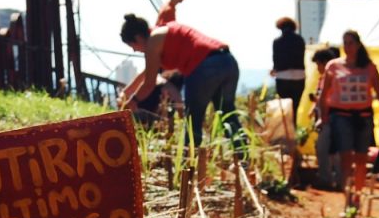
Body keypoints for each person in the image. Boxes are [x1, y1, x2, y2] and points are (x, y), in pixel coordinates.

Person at [119, 14, 244, 153]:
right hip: (227, 61)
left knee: (193, 121)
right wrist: (127, 93)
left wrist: (133, 101)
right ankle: (243, 157)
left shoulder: (153, 42)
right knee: (228, 114)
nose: (135, 50)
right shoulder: (162, 33)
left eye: (132, 46)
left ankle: (188, 164)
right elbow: (145, 74)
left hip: (203, 68)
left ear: (137, 38)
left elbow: (149, 83)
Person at [318, 30, 379, 202]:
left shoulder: (369, 67)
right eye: (345, 42)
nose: (347, 46)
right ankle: (348, 195)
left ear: (357, 44)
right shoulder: (333, 66)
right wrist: (323, 116)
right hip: (340, 116)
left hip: (363, 116)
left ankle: (357, 194)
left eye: (350, 42)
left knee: (362, 157)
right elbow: (324, 93)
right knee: (345, 156)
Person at [310, 48, 341, 190]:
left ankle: (327, 179)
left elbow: (328, 99)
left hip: (329, 118)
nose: (317, 68)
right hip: (330, 118)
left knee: (324, 149)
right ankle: (336, 179)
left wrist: (323, 117)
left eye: (318, 64)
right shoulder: (327, 77)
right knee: (332, 151)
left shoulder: (330, 77)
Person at [270, 17, 307, 119]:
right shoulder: (300, 40)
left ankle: (286, 131)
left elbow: (276, 59)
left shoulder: (277, 41)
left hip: (283, 76)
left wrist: (274, 69)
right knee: (295, 105)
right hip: (299, 75)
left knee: (285, 106)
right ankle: (293, 128)